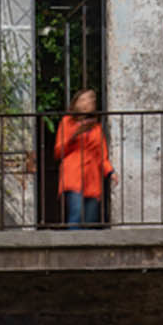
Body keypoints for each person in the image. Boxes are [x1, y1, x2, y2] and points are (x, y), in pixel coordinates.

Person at [54, 88, 113, 228]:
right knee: (76, 214)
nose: (89, 101)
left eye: (92, 99)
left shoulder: (96, 128)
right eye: (85, 99)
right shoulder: (67, 122)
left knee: (90, 219)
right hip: (73, 174)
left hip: (92, 178)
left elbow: (102, 155)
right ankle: (71, 249)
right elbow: (58, 152)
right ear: (76, 104)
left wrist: (110, 172)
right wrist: (73, 137)